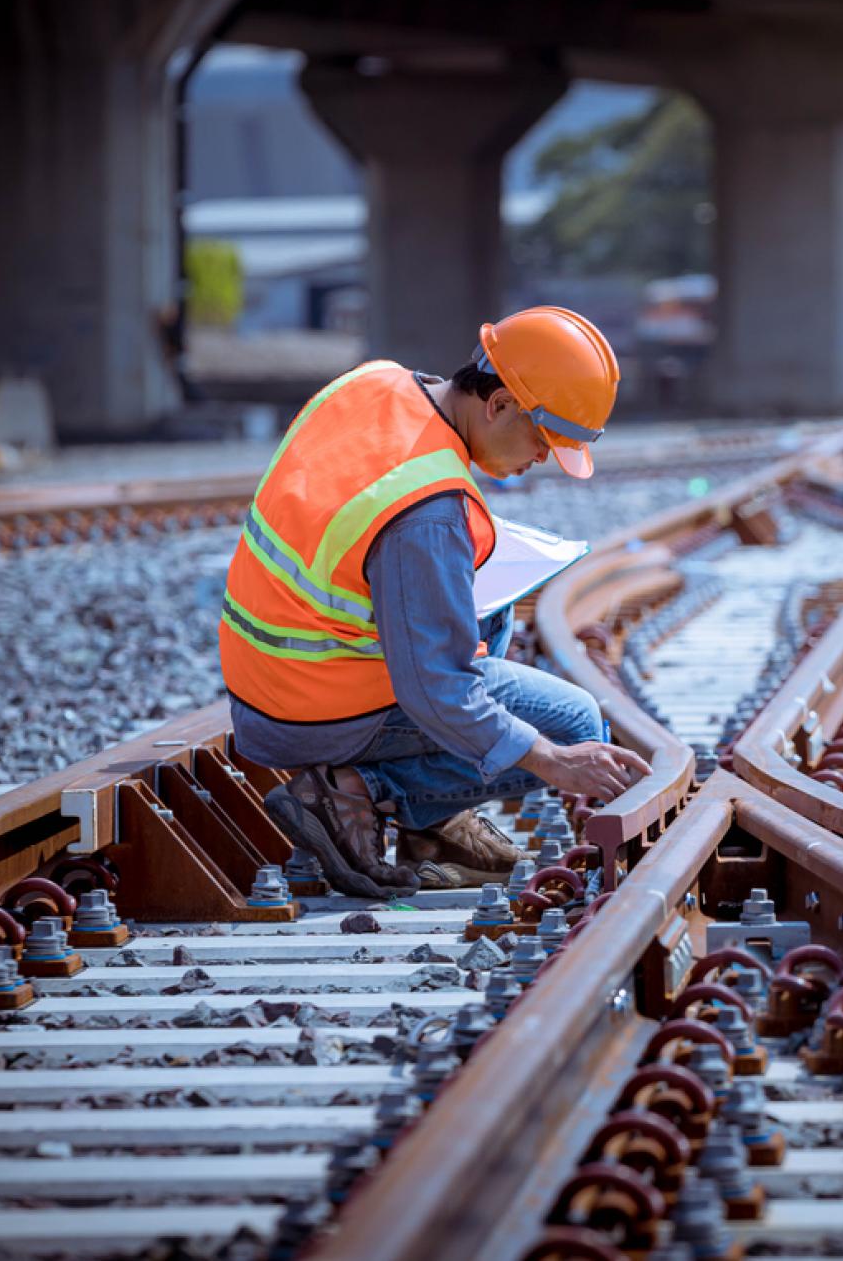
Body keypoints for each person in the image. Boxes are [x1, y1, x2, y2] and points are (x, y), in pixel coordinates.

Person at [219, 307, 652, 898]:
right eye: (543, 438)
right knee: (575, 724)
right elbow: (437, 691)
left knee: (488, 601)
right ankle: (355, 791)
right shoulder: (427, 513)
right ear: (498, 404)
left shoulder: (374, 381)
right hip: (311, 707)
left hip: (267, 676)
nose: (544, 458)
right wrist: (552, 759)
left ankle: (429, 827)